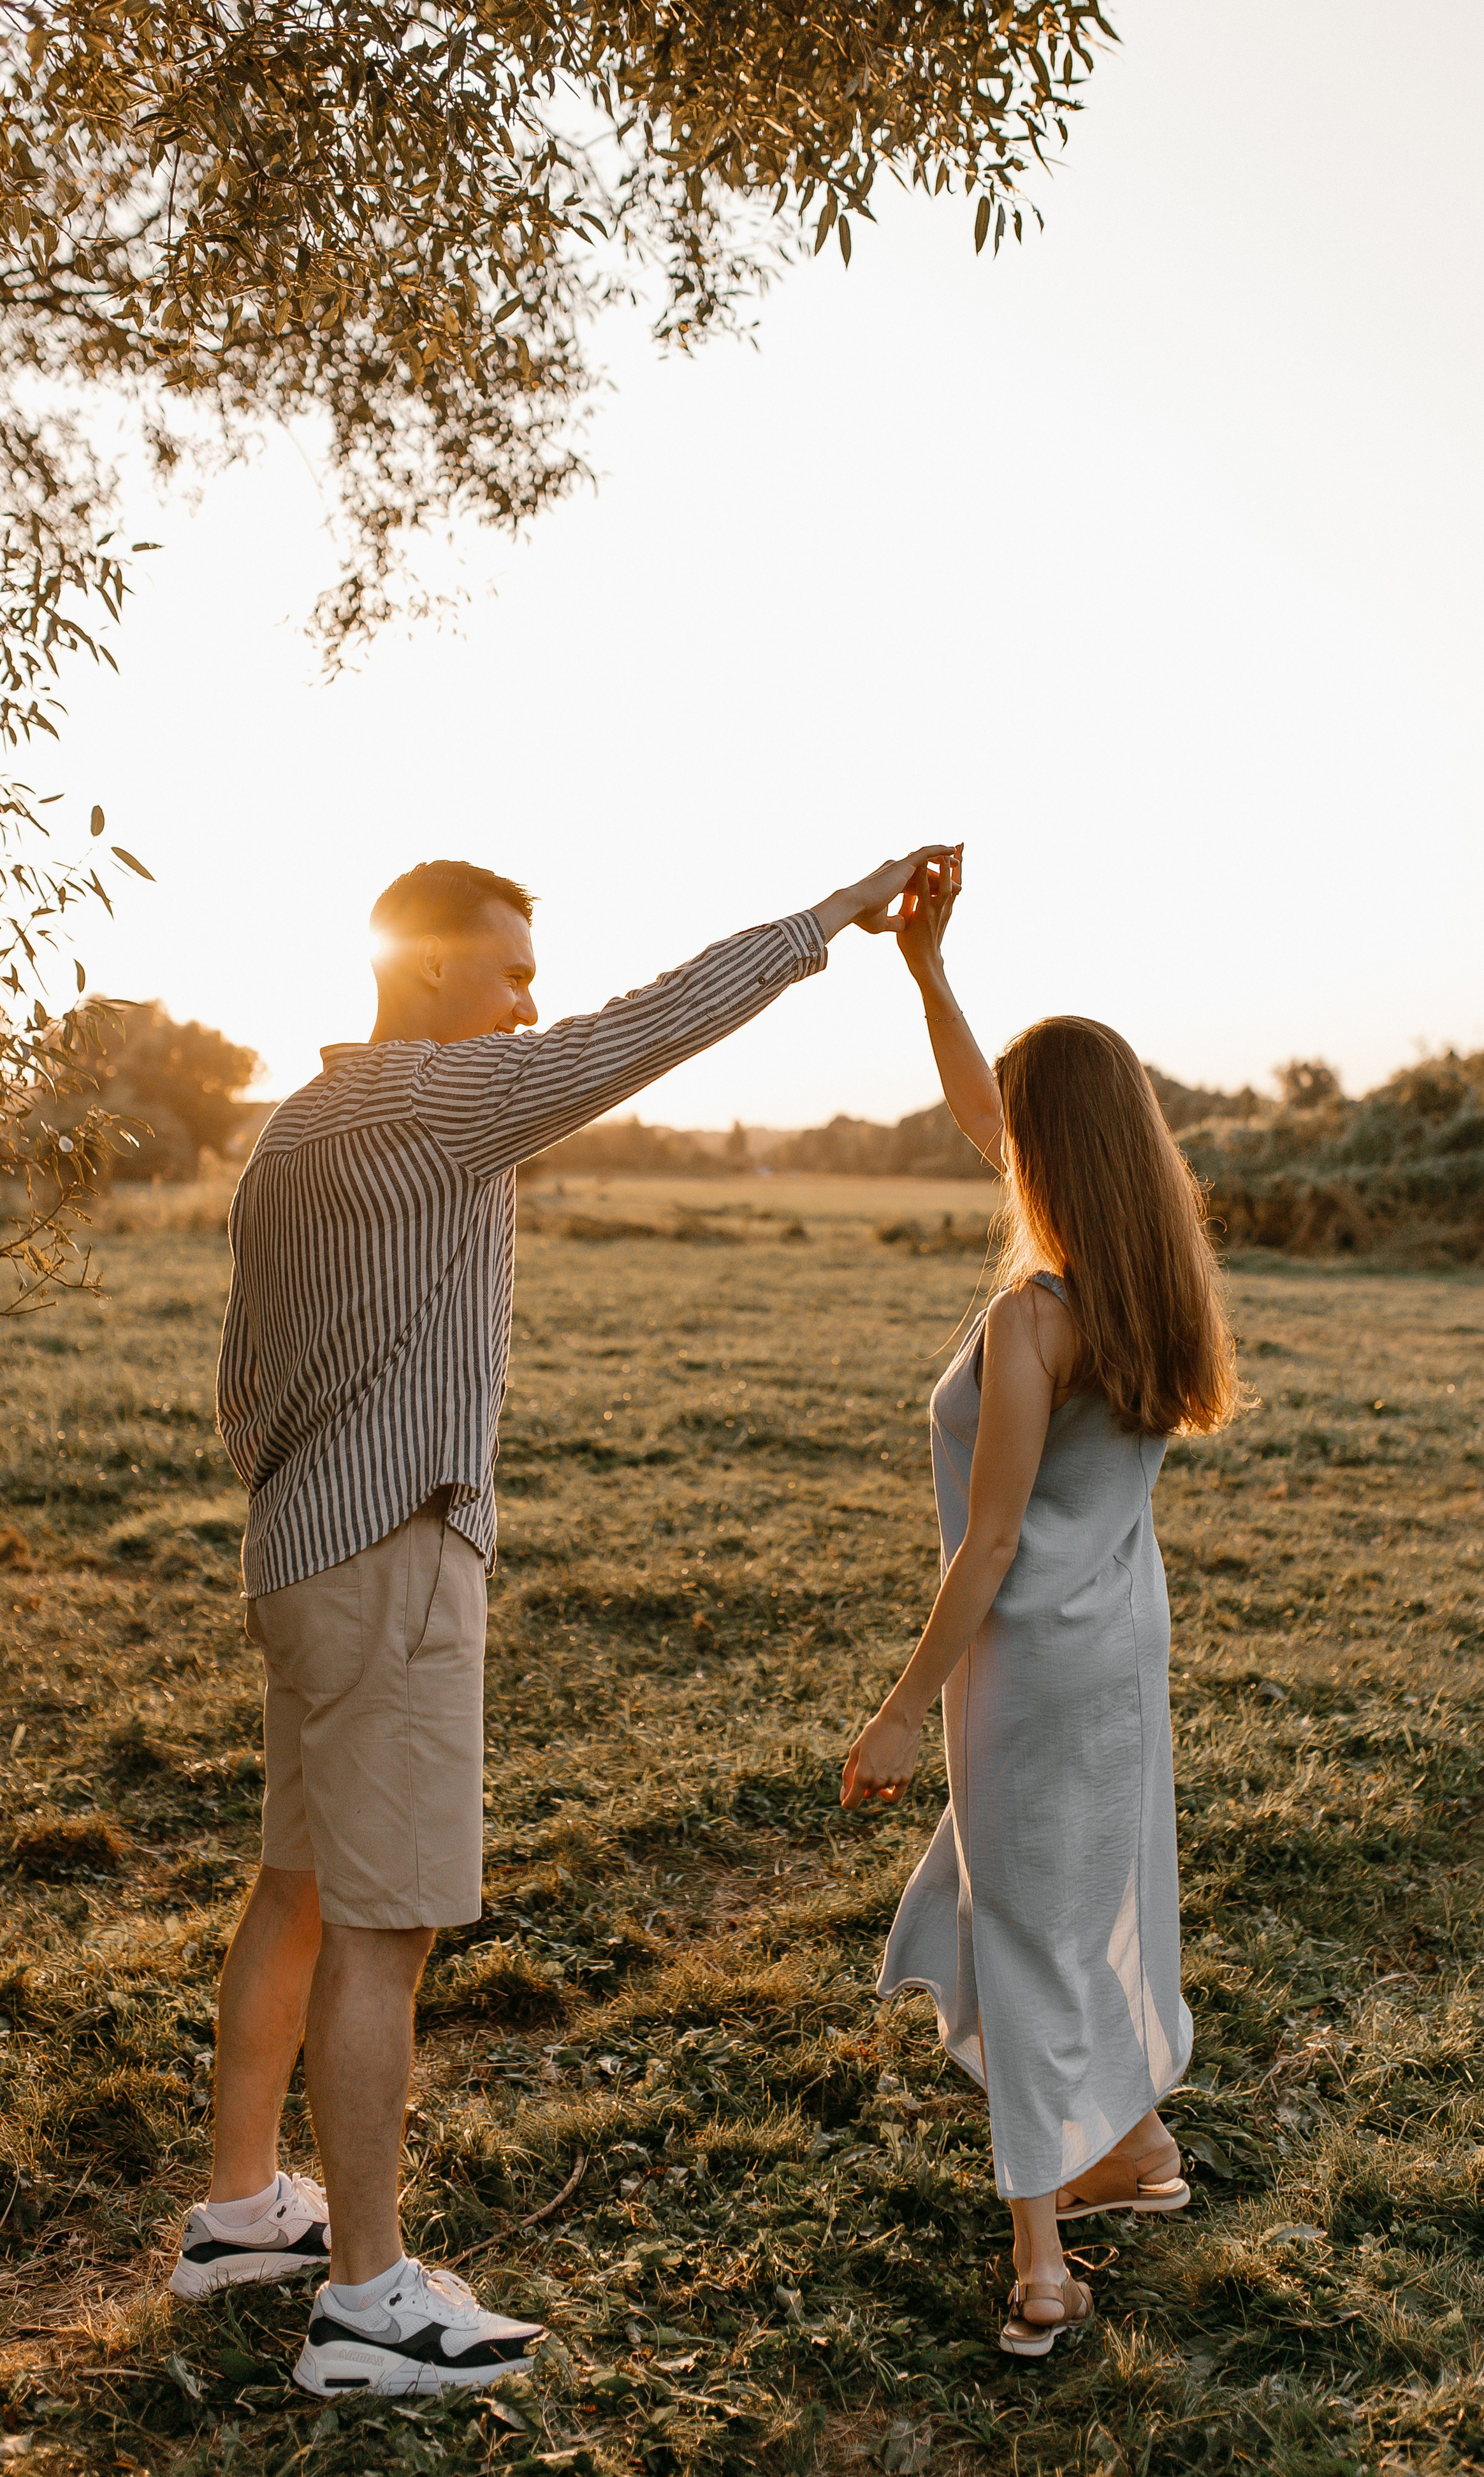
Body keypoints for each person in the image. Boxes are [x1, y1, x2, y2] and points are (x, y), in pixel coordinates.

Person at [172, 848, 950, 2397]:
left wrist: (307, 1492)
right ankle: (367, 2302)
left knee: (302, 1887)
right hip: (391, 1553)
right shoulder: (443, 1103)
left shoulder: (297, 1128)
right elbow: (644, 1027)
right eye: (511, 968)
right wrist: (829, 918)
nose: (531, 1000)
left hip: (301, 1553)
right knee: (384, 1924)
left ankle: (237, 2213)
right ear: (431, 965)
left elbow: (240, 1379)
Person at [841, 852, 1242, 2358]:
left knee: (1016, 1921)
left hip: (1020, 1662)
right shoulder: (1140, 1286)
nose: (990, 1147)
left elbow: (987, 1540)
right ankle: (1128, 2146)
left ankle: (1040, 2263)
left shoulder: (1032, 1314)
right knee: (1047, 1894)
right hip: (1118, 1646)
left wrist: (894, 1709)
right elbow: (983, 1114)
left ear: (1050, 1157)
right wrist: (930, 973)